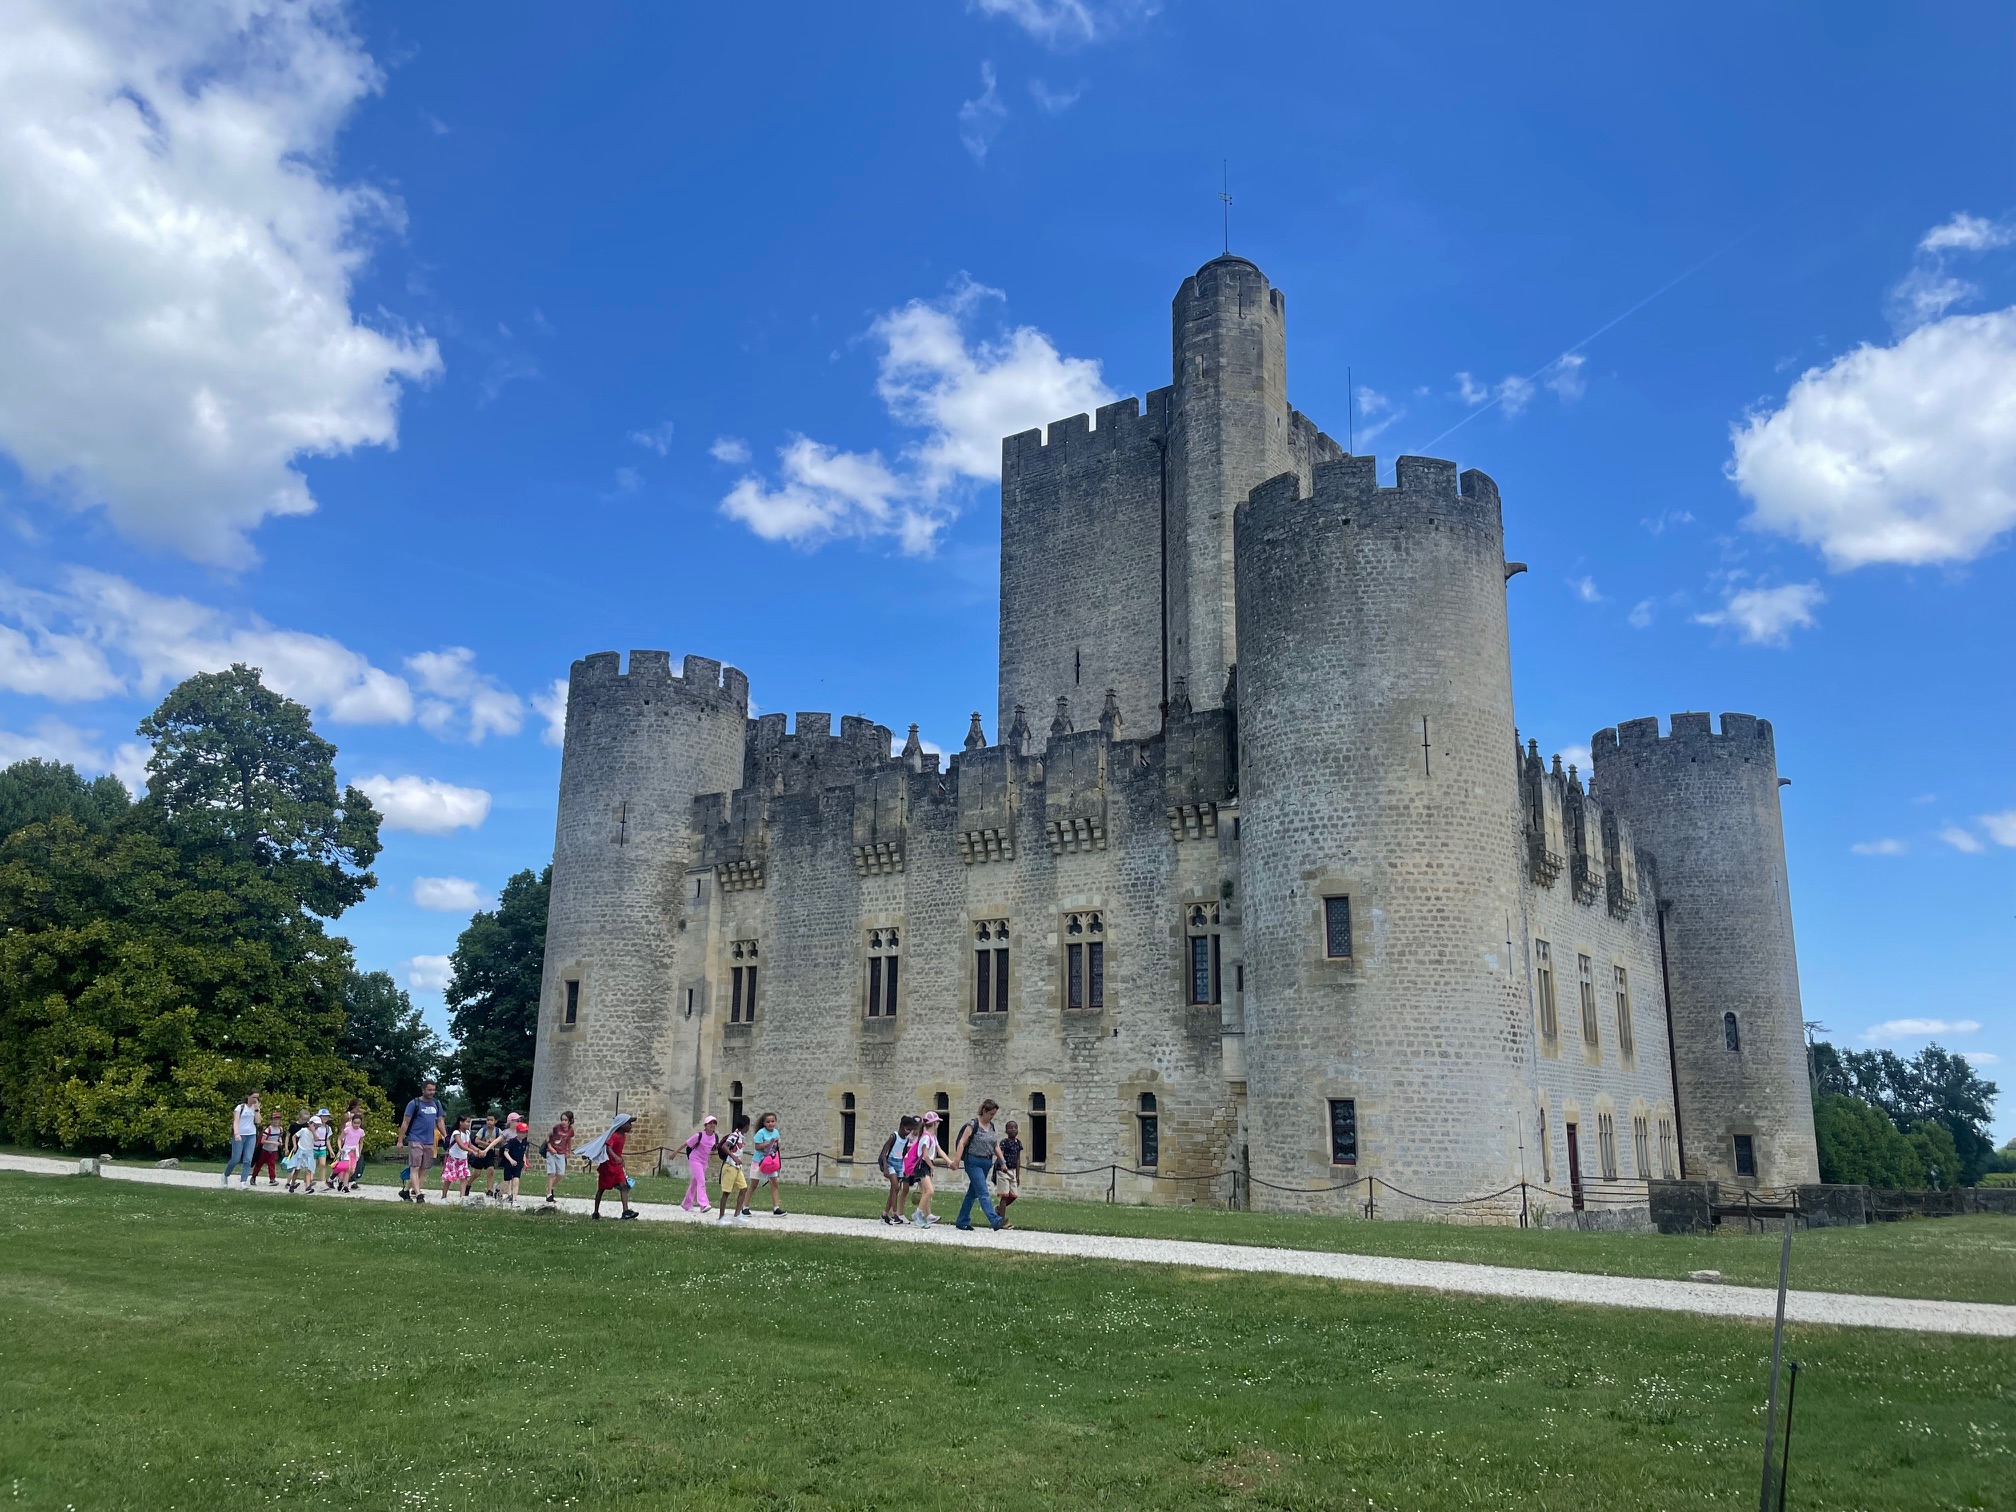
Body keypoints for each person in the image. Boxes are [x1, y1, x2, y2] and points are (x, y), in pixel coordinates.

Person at [952, 1100, 1011, 1231]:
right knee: (983, 1191)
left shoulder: (992, 1126)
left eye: (994, 1114)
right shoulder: (973, 1125)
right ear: (984, 1111)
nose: (992, 1116)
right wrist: (956, 1160)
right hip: (973, 1162)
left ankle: (962, 1220)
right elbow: (962, 1142)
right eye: (991, 1113)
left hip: (986, 1163)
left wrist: (1003, 1162)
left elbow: (995, 1146)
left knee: (972, 1193)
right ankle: (995, 1220)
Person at [578, 1113, 638, 1219]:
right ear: (622, 1124)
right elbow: (608, 1147)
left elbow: (617, 1150)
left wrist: (620, 1159)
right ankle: (596, 1212)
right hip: (608, 1165)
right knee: (601, 1188)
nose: (630, 1126)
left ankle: (626, 1211)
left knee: (623, 1185)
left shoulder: (623, 1136)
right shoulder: (614, 1136)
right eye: (628, 1123)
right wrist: (615, 1157)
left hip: (617, 1165)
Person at [395, 1079, 445, 1204]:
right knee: (415, 1167)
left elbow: (439, 1121)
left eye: (433, 1090)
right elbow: (405, 1122)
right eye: (429, 1090)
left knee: (424, 1168)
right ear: (423, 1090)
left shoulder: (436, 1104)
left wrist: (445, 1135)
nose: (431, 1092)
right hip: (415, 1138)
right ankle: (418, 1194)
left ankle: (405, 1190)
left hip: (429, 1140)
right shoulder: (414, 1103)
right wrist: (400, 1140)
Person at [905, 1111, 948, 1226]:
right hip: (923, 1166)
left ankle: (928, 1215)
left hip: (926, 1165)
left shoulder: (932, 1137)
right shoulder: (926, 1137)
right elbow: (925, 1155)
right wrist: (932, 1166)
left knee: (925, 1192)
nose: (938, 1123)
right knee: (930, 1191)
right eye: (937, 1122)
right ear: (934, 1123)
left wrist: (950, 1162)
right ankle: (917, 1214)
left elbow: (939, 1150)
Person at [877, 1115, 917, 1225]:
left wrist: (906, 1168)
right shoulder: (893, 1136)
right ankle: (895, 1214)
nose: (908, 1132)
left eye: (910, 1130)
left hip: (899, 1164)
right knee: (895, 1186)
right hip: (890, 1163)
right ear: (902, 1126)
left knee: (894, 1190)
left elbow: (904, 1154)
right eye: (907, 1129)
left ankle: (885, 1214)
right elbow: (884, 1152)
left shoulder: (905, 1140)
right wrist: (885, 1167)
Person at [717, 1114, 752, 1222]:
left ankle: (737, 1215)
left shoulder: (740, 1136)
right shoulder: (735, 1135)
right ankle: (721, 1217)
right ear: (746, 1126)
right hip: (730, 1167)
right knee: (726, 1192)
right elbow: (724, 1146)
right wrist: (734, 1157)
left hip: (737, 1168)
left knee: (743, 1188)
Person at [679, 1116, 718, 1212]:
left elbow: (714, 1147)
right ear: (705, 1125)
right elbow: (686, 1144)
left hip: (704, 1161)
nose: (712, 1125)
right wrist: (674, 1153)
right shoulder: (699, 1135)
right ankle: (704, 1204)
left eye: (714, 1123)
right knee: (701, 1181)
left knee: (694, 1182)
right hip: (695, 1159)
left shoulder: (715, 1137)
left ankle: (686, 1204)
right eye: (710, 1123)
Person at [223, 1092, 260, 1188]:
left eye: (257, 1097)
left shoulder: (255, 1108)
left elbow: (258, 1121)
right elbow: (236, 1121)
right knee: (235, 1158)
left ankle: (243, 1181)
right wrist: (236, 1133)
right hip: (240, 1134)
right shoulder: (240, 1107)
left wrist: (257, 1110)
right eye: (253, 1097)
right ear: (248, 1096)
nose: (255, 1099)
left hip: (251, 1135)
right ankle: (225, 1175)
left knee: (248, 1159)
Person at [751, 1111, 784, 1215]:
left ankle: (776, 1208)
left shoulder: (776, 1132)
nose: (771, 1123)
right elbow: (757, 1147)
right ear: (764, 1123)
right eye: (768, 1122)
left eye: (773, 1121)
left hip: (771, 1161)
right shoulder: (761, 1133)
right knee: (754, 1184)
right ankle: (745, 1207)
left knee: (774, 1184)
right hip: (759, 1161)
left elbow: (777, 1146)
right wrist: (768, 1143)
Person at [540, 1112, 575, 1206]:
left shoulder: (571, 1130)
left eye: (566, 1120)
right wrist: (550, 1146)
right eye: (562, 1120)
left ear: (570, 1121)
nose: (563, 1122)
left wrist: (569, 1150)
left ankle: (550, 1188)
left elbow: (569, 1140)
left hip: (561, 1153)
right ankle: (549, 1194)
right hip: (551, 1152)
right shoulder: (556, 1128)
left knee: (560, 1174)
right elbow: (547, 1136)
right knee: (552, 1173)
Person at [441, 1115, 476, 1201]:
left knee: (464, 1178)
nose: (469, 1124)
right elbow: (461, 1145)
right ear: (461, 1122)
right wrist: (472, 1151)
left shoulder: (467, 1133)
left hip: (463, 1159)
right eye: (467, 1122)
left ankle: (462, 1197)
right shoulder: (456, 1133)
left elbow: (470, 1144)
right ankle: (444, 1196)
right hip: (453, 1159)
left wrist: (478, 1150)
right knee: (449, 1179)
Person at [284, 1110, 317, 1194]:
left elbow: (316, 1139)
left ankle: (308, 1187)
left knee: (308, 1170)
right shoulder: (303, 1130)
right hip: (301, 1152)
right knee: (297, 1170)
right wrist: (294, 1145)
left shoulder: (314, 1133)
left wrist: (313, 1131)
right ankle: (292, 1184)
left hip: (309, 1153)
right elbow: (293, 1136)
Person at [330, 1113, 365, 1193]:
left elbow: (361, 1142)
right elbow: (339, 1139)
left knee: (352, 1170)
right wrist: (340, 1148)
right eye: (355, 1123)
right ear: (351, 1122)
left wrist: (359, 1151)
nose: (356, 1125)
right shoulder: (348, 1130)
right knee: (347, 1168)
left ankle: (342, 1181)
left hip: (354, 1151)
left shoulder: (361, 1132)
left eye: (358, 1123)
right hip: (346, 1151)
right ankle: (345, 1186)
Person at [469, 1113, 501, 1197]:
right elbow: (476, 1140)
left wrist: (495, 1141)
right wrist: (487, 1144)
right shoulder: (482, 1130)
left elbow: (502, 1140)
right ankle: (468, 1184)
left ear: (495, 1121)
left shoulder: (498, 1131)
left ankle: (489, 1190)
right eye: (488, 1120)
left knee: (491, 1170)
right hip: (480, 1151)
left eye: (491, 1120)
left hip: (490, 1152)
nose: (489, 1122)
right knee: (477, 1172)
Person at [497, 1120, 529, 1205]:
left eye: (525, 1132)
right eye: (522, 1132)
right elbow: (505, 1152)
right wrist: (511, 1160)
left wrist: (525, 1162)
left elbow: (523, 1153)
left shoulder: (525, 1142)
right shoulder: (511, 1141)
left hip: (518, 1164)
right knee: (507, 1182)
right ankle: (498, 1191)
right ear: (517, 1132)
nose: (524, 1134)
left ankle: (514, 1199)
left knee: (516, 1180)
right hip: (509, 1164)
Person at [995, 1119, 1023, 1213]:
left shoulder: (1018, 1143)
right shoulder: (1004, 1142)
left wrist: (1018, 1176)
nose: (1013, 1129)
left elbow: (1018, 1159)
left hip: (1013, 1171)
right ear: (1006, 1131)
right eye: (1010, 1128)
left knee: (1013, 1195)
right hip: (1003, 1171)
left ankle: (999, 1209)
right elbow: (1000, 1154)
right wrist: (1003, 1164)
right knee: (1005, 1195)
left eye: (1015, 1127)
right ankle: (1001, 1219)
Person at [251, 1109, 285, 1186]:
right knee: (259, 1164)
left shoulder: (280, 1129)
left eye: (278, 1119)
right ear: (272, 1120)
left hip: (273, 1150)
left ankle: (272, 1179)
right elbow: (263, 1141)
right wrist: (273, 1142)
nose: (276, 1121)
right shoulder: (268, 1129)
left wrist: (280, 1141)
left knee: (272, 1164)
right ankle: (253, 1177)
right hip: (265, 1150)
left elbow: (279, 1137)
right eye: (275, 1119)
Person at [310, 1108, 334, 1189]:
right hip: (313, 1148)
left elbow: (327, 1140)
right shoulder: (315, 1127)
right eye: (323, 1116)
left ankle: (323, 1182)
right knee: (312, 1165)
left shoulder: (328, 1128)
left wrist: (330, 1150)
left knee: (323, 1165)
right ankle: (310, 1180)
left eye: (327, 1116)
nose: (325, 1118)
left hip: (322, 1148)